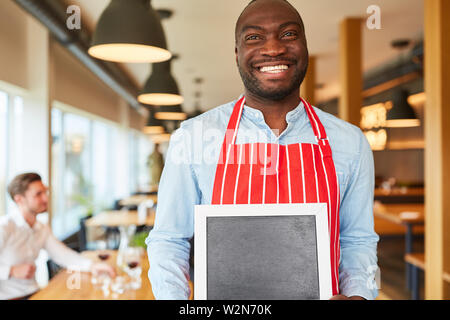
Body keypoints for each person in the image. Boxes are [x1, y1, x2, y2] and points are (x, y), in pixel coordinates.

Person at [146, 0, 379, 300]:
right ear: (237, 54)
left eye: (288, 34)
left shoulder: (350, 142)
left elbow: (357, 241)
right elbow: (170, 240)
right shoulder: (193, 138)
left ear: (305, 46)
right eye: (254, 37)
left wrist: (360, 296)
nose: (273, 48)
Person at [0, 173, 116, 300]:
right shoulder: (5, 227)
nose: (45, 198)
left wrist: (93, 266)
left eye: (46, 192)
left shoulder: (41, 227)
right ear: (19, 199)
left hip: (35, 292)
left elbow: (63, 255)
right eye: (38, 194)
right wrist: (11, 271)